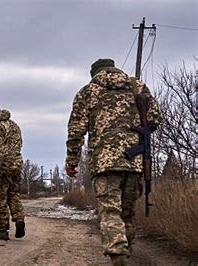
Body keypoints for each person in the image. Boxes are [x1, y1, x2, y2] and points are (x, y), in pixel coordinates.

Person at [65, 58, 162, 265]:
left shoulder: (87, 92)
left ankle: (118, 255)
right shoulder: (137, 86)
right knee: (127, 213)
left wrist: (71, 162)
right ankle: (127, 250)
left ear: (94, 74)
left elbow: (76, 131)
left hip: (104, 163)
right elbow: (154, 119)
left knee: (110, 211)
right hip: (134, 161)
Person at [0, 103, 25, 241]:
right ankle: (19, 220)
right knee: (13, 195)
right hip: (16, 167)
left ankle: (3, 230)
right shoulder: (14, 126)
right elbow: (19, 146)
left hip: (2, 168)